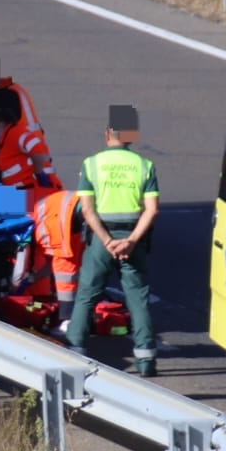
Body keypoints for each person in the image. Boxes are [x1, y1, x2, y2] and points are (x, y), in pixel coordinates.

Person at [67, 105, 159, 376]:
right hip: (133, 236)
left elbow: (86, 210)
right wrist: (130, 241)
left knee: (87, 295)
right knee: (138, 297)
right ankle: (145, 359)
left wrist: (107, 241)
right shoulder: (145, 166)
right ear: (131, 135)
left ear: (107, 133)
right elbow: (152, 209)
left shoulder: (91, 164)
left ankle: (75, 352)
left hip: (101, 237)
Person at [24, 184, 84, 336]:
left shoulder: (40, 226)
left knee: (65, 270)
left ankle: (68, 320)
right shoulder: (33, 198)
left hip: (68, 215)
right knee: (69, 266)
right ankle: (73, 316)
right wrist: (35, 277)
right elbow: (50, 263)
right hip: (74, 209)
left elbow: (57, 263)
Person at [0, 90, 57, 191]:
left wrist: (39, 174)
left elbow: (36, 149)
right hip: (21, 191)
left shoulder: (15, 133)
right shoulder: (5, 143)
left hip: (32, 190)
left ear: (0, 124)